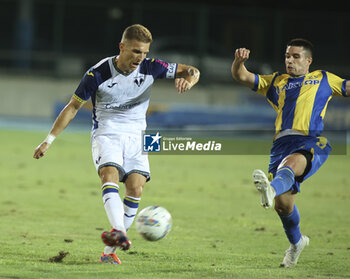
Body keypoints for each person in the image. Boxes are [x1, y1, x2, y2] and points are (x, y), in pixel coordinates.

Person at [33, 24, 200, 264]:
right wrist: (48, 140)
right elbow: (72, 107)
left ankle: (109, 254)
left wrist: (190, 81)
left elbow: (193, 70)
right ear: (121, 47)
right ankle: (119, 231)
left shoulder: (152, 67)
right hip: (107, 132)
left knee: (136, 187)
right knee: (109, 174)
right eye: (134, 51)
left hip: (140, 135)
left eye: (143, 52)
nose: (139, 58)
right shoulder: (98, 73)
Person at [231, 38, 349, 268]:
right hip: (281, 144)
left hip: (311, 141)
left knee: (292, 163)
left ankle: (271, 188)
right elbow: (242, 76)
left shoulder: (323, 78)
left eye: (295, 56)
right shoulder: (276, 81)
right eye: (287, 56)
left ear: (308, 60)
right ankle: (296, 244)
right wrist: (238, 62)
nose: (290, 60)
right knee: (283, 206)